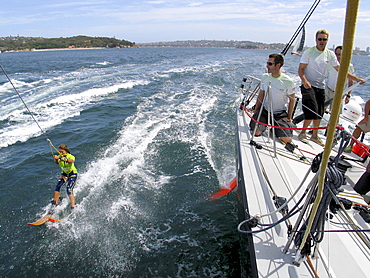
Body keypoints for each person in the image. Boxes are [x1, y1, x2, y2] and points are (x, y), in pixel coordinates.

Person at [297, 29, 364, 146]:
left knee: (319, 112)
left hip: (320, 86)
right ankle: (302, 133)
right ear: (316, 39)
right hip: (308, 84)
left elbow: (341, 70)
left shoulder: (330, 54)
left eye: (324, 39)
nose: (322, 41)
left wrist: (357, 79)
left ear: (327, 40)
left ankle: (315, 135)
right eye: (320, 39)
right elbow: (301, 69)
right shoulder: (309, 52)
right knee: (311, 109)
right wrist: (305, 81)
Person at [250, 53, 296, 145]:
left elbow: (292, 100)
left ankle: (274, 128)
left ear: (278, 65)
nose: (267, 66)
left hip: (280, 114)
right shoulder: (265, 77)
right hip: (265, 111)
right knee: (256, 132)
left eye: (270, 64)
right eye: (267, 63)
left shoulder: (288, 81)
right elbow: (261, 95)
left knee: (287, 140)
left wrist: (289, 117)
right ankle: (267, 125)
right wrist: (256, 110)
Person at [52, 144, 77, 210]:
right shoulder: (60, 156)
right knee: (58, 186)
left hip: (72, 173)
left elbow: (71, 161)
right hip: (65, 174)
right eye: (60, 152)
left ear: (66, 151)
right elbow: (57, 162)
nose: (61, 153)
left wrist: (63, 158)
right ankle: (55, 203)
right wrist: (57, 159)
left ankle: (73, 206)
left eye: (62, 151)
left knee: (69, 189)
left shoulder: (70, 156)